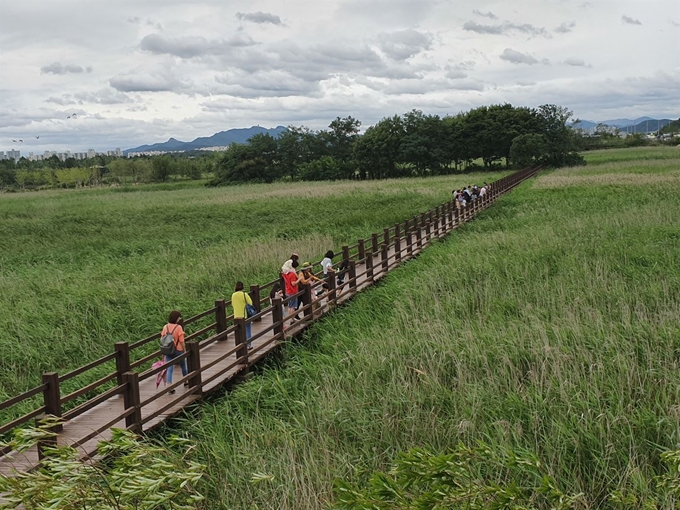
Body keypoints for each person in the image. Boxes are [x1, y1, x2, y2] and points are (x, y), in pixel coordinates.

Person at [161, 310, 188, 394]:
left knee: (169, 368)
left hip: (169, 350)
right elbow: (182, 341)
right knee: (183, 365)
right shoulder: (178, 327)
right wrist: (185, 350)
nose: (179, 319)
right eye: (179, 318)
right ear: (176, 318)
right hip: (178, 350)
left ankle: (169, 385)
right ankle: (186, 380)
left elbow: (162, 338)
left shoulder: (165, 327)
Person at [232, 281, 254, 349]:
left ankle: (240, 345)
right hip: (244, 315)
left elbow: (232, 304)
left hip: (236, 316)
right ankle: (248, 345)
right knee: (247, 329)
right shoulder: (244, 294)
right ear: (242, 287)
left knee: (239, 331)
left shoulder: (233, 295)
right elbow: (250, 303)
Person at [283, 260, 301, 325]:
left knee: (289, 306)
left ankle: (291, 319)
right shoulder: (292, 274)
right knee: (293, 306)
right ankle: (292, 319)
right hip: (292, 291)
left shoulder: (285, 274)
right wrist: (299, 279)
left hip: (287, 291)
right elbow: (293, 283)